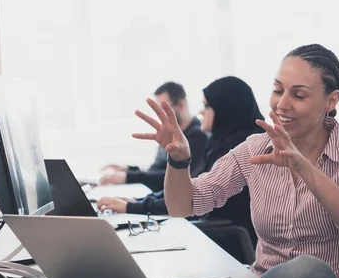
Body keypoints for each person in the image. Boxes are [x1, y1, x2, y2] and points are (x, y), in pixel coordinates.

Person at [132, 44, 339, 278]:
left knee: (310, 271)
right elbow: (185, 205)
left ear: (330, 100)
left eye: (298, 95)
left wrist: (302, 167)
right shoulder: (255, 148)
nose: (281, 104)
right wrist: (179, 160)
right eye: (277, 90)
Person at [97, 76, 264, 263]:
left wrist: (132, 206)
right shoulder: (218, 143)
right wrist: (140, 201)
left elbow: (192, 197)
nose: (201, 111)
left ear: (227, 108)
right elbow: (192, 187)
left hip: (223, 239)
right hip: (205, 227)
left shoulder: (242, 147)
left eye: (207, 106)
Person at [99, 81, 208, 191]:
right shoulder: (169, 130)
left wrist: (128, 177)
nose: (159, 115)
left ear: (180, 105)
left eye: (163, 108)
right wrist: (129, 169)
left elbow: (177, 178)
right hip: (154, 195)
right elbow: (157, 170)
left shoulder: (199, 136)